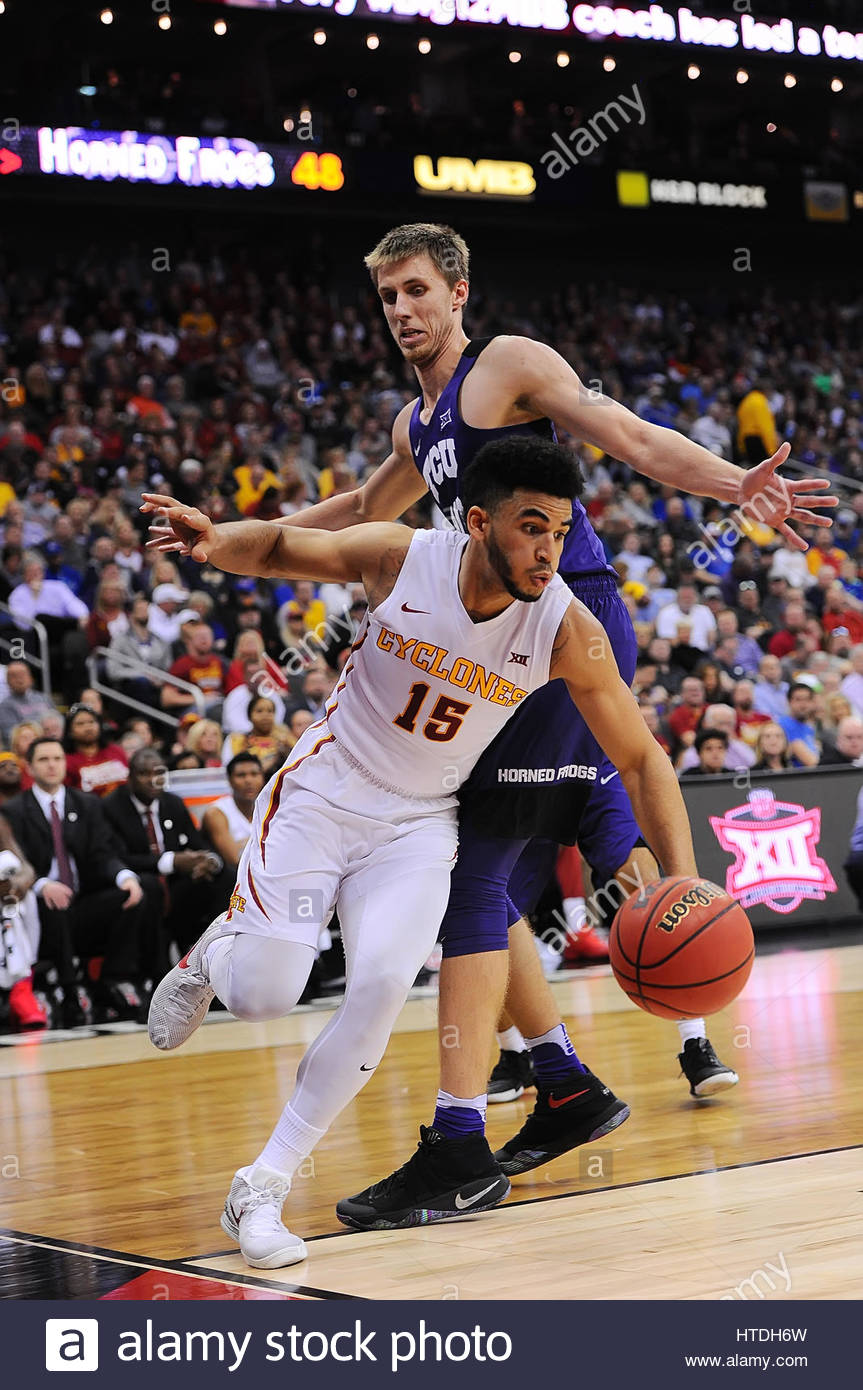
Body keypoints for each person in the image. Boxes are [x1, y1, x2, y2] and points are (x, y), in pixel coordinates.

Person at [145, 222, 831, 1187]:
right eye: (388, 298)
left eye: (417, 291)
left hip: (563, 621)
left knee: (475, 866)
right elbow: (356, 511)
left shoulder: (505, 365)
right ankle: (558, 1074)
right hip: (486, 640)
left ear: (458, 292)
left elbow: (625, 433)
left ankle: (498, 1110)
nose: (402, 312)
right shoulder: (413, 424)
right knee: (479, 856)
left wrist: (733, 485)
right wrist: (232, 535)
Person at [145, 436, 701, 1267]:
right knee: (264, 994)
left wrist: (687, 884)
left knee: (375, 992)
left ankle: (261, 1188)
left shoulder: (565, 630)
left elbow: (642, 757)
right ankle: (208, 958)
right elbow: (288, 547)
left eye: (558, 530)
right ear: (478, 523)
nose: (547, 550)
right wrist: (216, 539)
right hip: (324, 792)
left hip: (417, 825)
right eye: (528, 528)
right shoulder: (400, 558)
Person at [3, 738, 149, 1027]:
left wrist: (125, 876)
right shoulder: (14, 811)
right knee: (54, 904)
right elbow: (16, 865)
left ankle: (114, 979)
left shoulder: (88, 804)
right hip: (39, 903)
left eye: (57, 758)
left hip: (83, 897)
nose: (52, 765)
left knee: (139, 892)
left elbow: (102, 852)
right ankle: (70, 989)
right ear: (29, 767)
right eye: (44, 759)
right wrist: (42, 884)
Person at [102, 748, 230, 967]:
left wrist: (208, 862)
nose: (152, 780)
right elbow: (118, 857)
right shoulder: (111, 806)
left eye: (158, 773)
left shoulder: (173, 803)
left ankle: (214, 954)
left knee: (223, 876)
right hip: (139, 880)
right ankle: (153, 970)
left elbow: (197, 844)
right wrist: (171, 861)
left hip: (175, 883)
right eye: (144, 774)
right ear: (130, 776)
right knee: (152, 888)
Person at [202, 753, 265, 871]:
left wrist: (244, 843)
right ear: (230, 780)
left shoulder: (270, 807)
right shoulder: (216, 812)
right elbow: (235, 859)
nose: (248, 780)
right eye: (241, 775)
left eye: (254, 774)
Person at [63, 703, 129, 797]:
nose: (88, 728)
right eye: (80, 724)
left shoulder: (116, 751)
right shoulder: (67, 761)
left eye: (92, 722)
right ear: (70, 731)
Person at [221, 694, 291, 776]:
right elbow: (228, 769)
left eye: (270, 711)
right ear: (249, 716)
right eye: (259, 711)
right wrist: (274, 760)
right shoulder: (235, 740)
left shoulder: (286, 740)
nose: (265, 716)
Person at [0, 661, 57, 742]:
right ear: (7, 681)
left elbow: (58, 721)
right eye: (14, 676)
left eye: (23, 674)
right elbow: (11, 735)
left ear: (31, 678)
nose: (19, 679)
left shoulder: (44, 698)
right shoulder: (5, 706)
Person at [778, 683, 821, 767]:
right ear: (789, 702)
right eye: (798, 700)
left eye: (807, 699)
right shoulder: (780, 726)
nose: (803, 705)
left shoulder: (809, 727)